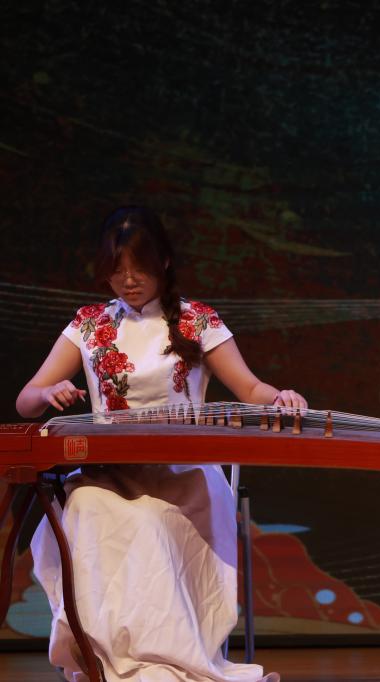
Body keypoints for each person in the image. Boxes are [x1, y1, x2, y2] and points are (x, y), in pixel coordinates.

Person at [16, 206, 307, 682]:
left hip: (182, 475)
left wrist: (280, 398)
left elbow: (251, 389)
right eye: (117, 271)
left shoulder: (196, 320)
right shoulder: (90, 324)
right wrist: (48, 393)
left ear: (164, 263)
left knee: (150, 520)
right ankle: (109, 658)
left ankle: (161, 663)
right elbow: (26, 400)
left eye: (140, 269)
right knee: (84, 506)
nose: (128, 281)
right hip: (108, 474)